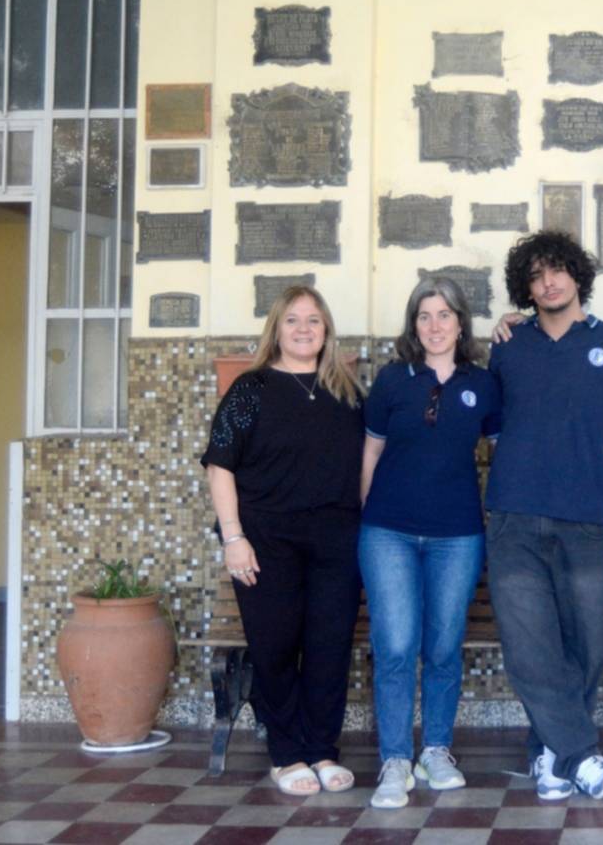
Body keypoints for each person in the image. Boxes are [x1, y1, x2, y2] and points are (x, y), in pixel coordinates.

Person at [484, 231, 603, 800]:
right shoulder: (508, 345)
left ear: (578, 275)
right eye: (535, 276)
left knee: (586, 650)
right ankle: (581, 755)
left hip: (583, 518)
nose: (548, 282)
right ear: (525, 289)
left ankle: (551, 756)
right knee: (529, 645)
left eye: (556, 270)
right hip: (514, 515)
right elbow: (491, 427)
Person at [202, 286, 363, 797]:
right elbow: (219, 465)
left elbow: (366, 462)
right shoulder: (251, 389)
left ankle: (322, 749)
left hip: (336, 542)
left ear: (326, 328)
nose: (303, 329)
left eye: (313, 320)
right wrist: (233, 537)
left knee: (329, 648)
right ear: (276, 328)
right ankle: (286, 754)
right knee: (274, 647)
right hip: (266, 540)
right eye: (292, 319)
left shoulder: (346, 391)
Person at [359, 277, 501, 808]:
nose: (434, 325)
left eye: (444, 315)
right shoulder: (393, 379)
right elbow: (371, 452)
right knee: (396, 646)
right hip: (388, 533)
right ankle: (396, 759)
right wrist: (364, 517)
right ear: (413, 324)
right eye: (424, 316)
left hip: (457, 536)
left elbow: (503, 452)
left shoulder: (483, 383)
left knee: (443, 646)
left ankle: (435, 750)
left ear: (460, 323)